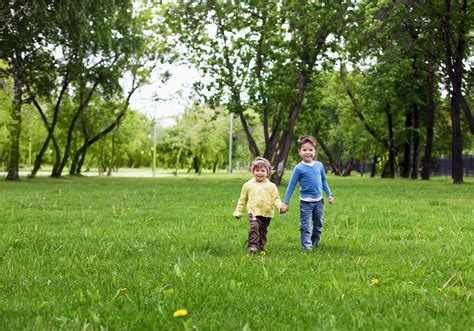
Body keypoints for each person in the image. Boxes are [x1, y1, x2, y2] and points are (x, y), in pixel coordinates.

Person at [280, 135, 334, 250]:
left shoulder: (319, 166)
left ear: (314, 151)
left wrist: (329, 195)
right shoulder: (299, 168)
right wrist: (286, 202)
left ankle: (314, 243)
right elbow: (291, 186)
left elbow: (324, 181)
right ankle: (307, 247)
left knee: (318, 225)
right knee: (306, 226)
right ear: (299, 152)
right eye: (304, 150)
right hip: (305, 203)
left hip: (319, 202)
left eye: (310, 150)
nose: (307, 152)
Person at [233, 157, 283, 254]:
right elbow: (243, 199)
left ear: (268, 172)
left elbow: (276, 198)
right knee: (254, 227)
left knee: (262, 231)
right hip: (254, 212)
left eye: (263, 171)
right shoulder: (248, 185)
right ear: (253, 171)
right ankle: (253, 246)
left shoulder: (271, 186)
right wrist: (238, 211)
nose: (259, 173)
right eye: (257, 170)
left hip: (266, 213)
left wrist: (280, 207)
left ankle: (261, 245)